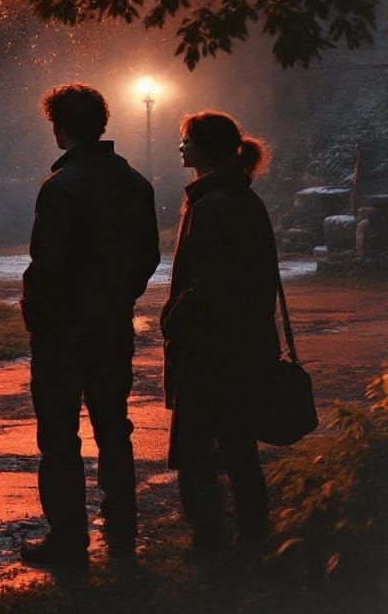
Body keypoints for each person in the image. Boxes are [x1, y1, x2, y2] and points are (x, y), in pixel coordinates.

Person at [20, 84, 159, 565]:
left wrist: (36, 316)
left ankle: (67, 538)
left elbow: (47, 265)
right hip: (111, 324)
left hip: (62, 331)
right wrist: (119, 297)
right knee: (113, 429)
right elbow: (148, 255)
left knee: (59, 437)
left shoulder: (61, 188)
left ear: (58, 124)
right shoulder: (136, 183)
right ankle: (122, 532)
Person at [162, 111, 280, 557]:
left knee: (195, 452)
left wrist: (175, 318)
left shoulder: (212, 205)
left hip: (210, 351)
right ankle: (253, 537)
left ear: (206, 148)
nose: (181, 147)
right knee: (238, 448)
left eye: (187, 140)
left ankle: (209, 543)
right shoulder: (242, 198)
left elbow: (208, 283)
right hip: (244, 345)